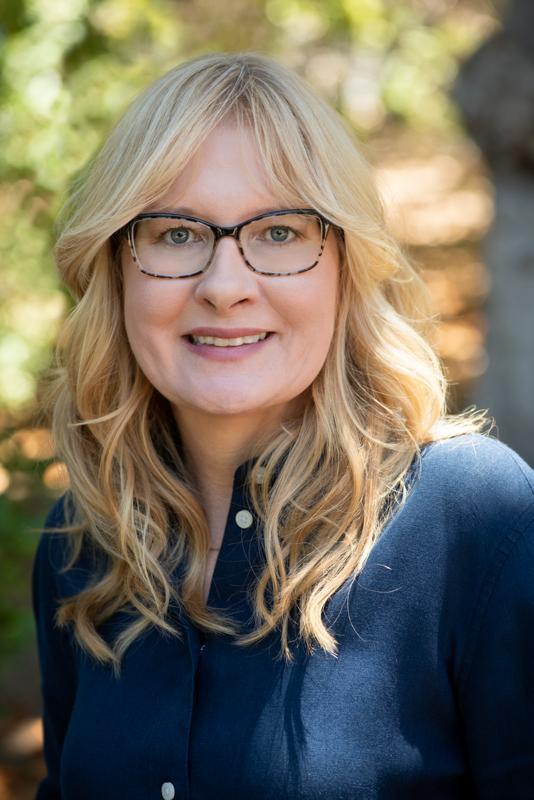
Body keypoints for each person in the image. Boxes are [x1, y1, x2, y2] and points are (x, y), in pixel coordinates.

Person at [32, 52, 534, 800]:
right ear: (117, 269)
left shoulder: (476, 520)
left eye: (278, 233)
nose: (225, 286)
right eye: (175, 234)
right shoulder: (83, 543)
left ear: (345, 266)